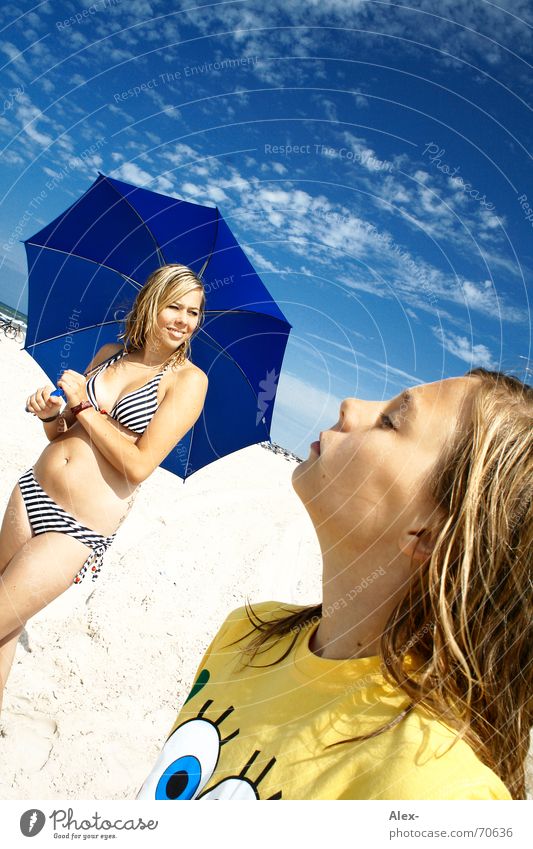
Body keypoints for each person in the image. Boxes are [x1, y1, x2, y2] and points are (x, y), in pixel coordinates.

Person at [137, 369, 531, 800]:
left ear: (430, 535)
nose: (350, 405)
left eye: (390, 421)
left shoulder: (434, 789)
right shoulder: (247, 634)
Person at [0, 263, 208, 713]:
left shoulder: (188, 381)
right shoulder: (112, 352)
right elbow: (62, 435)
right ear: (151, 302)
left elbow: (138, 465)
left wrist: (84, 405)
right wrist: (49, 415)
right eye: (174, 306)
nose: (183, 320)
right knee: (7, 627)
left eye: (193, 312)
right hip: (32, 489)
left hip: (76, 527)